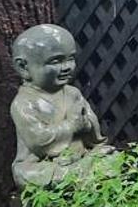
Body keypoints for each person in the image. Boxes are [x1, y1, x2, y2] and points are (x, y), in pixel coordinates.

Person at [9, 23, 116, 188]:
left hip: (79, 156)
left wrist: (88, 123)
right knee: (30, 174)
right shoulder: (24, 103)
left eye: (71, 59)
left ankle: (81, 170)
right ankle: (79, 173)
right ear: (23, 67)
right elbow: (38, 141)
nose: (67, 67)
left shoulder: (73, 93)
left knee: (111, 158)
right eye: (55, 61)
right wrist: (72, 125)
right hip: (41, 164)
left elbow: (93, 133)